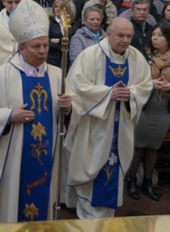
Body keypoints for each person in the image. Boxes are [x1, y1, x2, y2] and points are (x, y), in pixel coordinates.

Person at [0, 0, 78, 223]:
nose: (42, 51)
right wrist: (8, 116)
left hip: (45, 159)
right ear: (20, 48)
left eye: (45, 46)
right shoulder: (2, 75)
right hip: (12, 160)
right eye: (36, 47)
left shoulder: (56, 75)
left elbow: (72, 111)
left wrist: (69, 108)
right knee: (12, 207)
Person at [65, 18, 152, 219]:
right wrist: (106, 95)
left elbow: (145, 86)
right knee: (90, 167)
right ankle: (87, 215)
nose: (125, 40)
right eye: (120, 35)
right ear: (108, 34)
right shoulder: (90, 55)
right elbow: (77, 86)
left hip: (120, 126)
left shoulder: (136, 58)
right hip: (94, 126)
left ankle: (105, 217)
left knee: (113, 166)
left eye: (129, 36)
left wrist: (130, 94)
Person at [125, 23, 170, 201]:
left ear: (169, 39)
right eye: (153, 34)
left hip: (163, 108)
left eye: (160, 35)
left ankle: (148, 183)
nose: (155, 38)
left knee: (154, 147)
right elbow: (131, 80)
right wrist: (151, 84)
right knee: (138, 146)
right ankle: (131, 181)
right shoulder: (142, 55)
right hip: (143, 107)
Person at [47, 0, 74, 67]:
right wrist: (62, 47)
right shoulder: (49, 22)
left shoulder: (70, 23)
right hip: (51, 59)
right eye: (56, 7)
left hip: (66, 60)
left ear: (67, 9)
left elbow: (71, 42)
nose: (58, 9)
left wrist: (59, 40)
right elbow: (47, 42)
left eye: (61, 7)